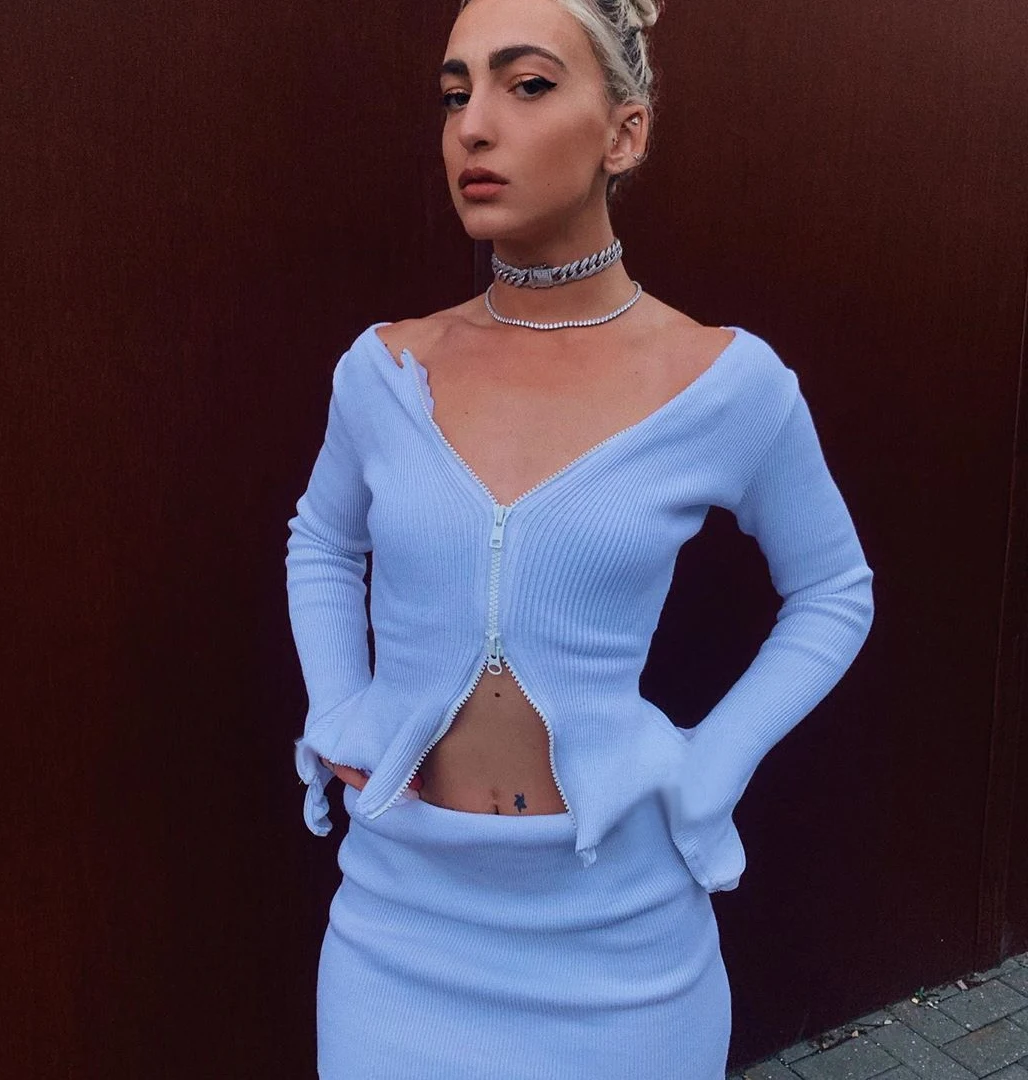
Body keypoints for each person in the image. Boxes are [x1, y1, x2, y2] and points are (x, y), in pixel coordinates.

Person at [285, 0, 875, 1076]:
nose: (473, 125)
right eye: (455, 93)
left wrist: (717, 758)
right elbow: (322, 540)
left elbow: (834, 588)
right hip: (398, 931)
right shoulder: (384, 369)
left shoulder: (725, 382)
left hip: (621, 946)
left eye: (527, 84)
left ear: (625, 133)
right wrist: (338, 706)